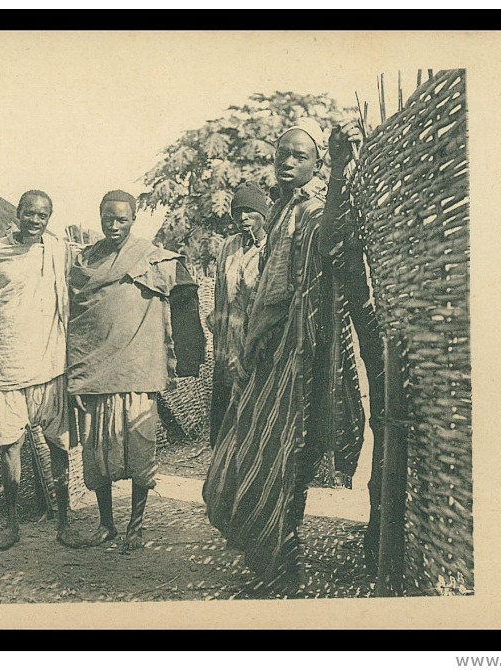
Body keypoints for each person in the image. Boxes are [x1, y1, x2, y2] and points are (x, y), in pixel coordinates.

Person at [202, 119, 367, 587]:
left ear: (317, 164)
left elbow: (324, 253)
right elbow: (267, 287)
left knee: (287, 455)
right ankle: (275, 554)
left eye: (300, 156)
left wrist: (339, 175)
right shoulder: (279, 211)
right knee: (258, 450)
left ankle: (283, 561)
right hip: (274, 349)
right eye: (282, 155)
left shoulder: (317, 210)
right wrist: (254, 338)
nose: (288, 163)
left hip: (304, 351)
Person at [67, 190, 204, 552]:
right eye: (108, 218)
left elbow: (186, 292)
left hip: (138, 373)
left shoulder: (151, 259)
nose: (114, 226)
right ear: (99, 216)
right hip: (97, 374)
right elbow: (78, 323)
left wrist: (189, 354)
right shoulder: (85, 263)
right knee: (97, 457)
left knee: (140, 452)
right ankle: (106, 524)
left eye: (122, 219)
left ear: (133, 219)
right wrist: (78, 376)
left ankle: (136, 527)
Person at [0, 190, 83, 551]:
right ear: (18, 214)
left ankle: (65, 524)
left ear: (49, 218)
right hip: (10, 365)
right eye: (30, 213)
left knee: (59, 445)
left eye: (43, 215)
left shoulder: (56, 251)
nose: (35, 220)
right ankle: (11, 526)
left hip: (50, 362)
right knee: (10, 446)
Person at [206, 182, 269, 448]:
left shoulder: (271, 247)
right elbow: (220, 291)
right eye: (238, 212)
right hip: (227, 341)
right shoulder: (228, 247)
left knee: (255, 401)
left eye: (250, 211)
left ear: (262, 215)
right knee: (225, 402)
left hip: (257, 340)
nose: (243, 217)